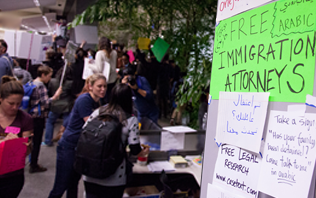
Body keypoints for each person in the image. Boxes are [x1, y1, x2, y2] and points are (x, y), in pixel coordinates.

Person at [83, 83, 150, 198]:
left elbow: (84, 132)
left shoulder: (98, 112)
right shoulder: (130, 119)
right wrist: (142, 152)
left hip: (90, 172)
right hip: (114, 176)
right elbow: (134, 149)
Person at [48, 73, 107, 198]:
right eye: (99, 86)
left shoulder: (97, 101)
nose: (103, 89)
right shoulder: (85, 100)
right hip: (69, 147)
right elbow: (91, 123)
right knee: (60, 185)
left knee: (73, 183)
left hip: (79, 147)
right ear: (90, 86)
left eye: (105, 86)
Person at [0, 76, 33, 198]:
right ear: (1, 99)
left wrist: (25, 146)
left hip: (12, 176)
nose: (15, 107)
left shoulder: (25, 119)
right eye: (11, 103)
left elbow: (27, 151)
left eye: (18, 104)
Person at [29, 66, 62, 173]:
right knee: (37, 141)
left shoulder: (32, 83)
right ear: (43, 75)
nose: (49, 79)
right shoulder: (41, 86)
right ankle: (33, 164)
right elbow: (46, 103)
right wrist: (55, 97)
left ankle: (30, 160)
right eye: (48, 76)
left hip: (30, 114)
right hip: (38, 116)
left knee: (30, 140)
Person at [43, 66, 74, 146]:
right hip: (66, 105)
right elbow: (72, 93)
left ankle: (48, 140)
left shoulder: (52, 81)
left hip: (55, 104)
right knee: (67, 124)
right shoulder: (70, 83)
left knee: (50, 122)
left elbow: (50, 91)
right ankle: (65, 141)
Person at [92, 37, 117, 104]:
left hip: (104, 80)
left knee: (103, 99)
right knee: (111, 98)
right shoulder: (114, 53)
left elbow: (99, 69)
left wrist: (90, 66)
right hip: (113, 79)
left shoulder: (99, 54)